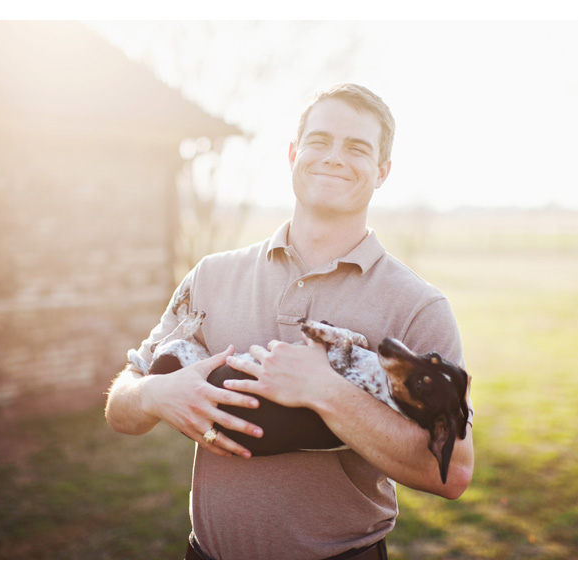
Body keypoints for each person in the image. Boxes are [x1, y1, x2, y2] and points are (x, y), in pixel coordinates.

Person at [105, 83, 474, 560]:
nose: (334, 157)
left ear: (382, 172)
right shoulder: (212, 276)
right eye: (319, 141)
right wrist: (155, 394)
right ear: (294, 153)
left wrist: (325, 391)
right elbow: (120, 408)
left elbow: (453, 473)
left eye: (357, 148)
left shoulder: (418, 306)